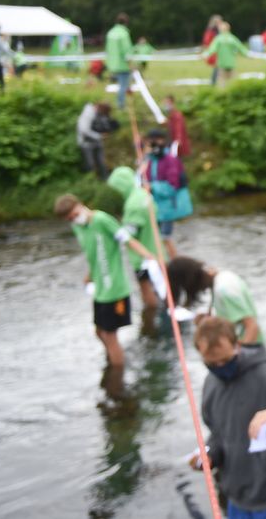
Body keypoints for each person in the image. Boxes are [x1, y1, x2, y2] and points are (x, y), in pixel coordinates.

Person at [190, 317, 266, 519]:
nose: (220, 367)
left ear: (237, 345)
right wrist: (209, 455)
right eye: (212, 363)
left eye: (225, 360)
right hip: (236, 500)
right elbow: (218, 434)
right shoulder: (210, 384)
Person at [55, 193, 157, 367]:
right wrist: (90, 275)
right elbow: (92, 254)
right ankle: (115, 359)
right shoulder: (77, 227)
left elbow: (128, 240)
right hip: (100, 290)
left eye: (74, 215)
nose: (74, 219)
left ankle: (117, 374)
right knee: (99, 332)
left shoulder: (102, 220)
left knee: (110, 335)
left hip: (115, 290)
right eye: (69, 219)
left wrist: (151, 258)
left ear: (80, 205)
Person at [106, 166, 166, 312]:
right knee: (162, 287)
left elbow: (130, 234)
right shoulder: (144, 195)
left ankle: (152, 320)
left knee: (146, 290)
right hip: (158, 251)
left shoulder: (132, 204)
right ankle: (165, 313)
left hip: (143, 258)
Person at [166, 257, 264, 345]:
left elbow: (252, 327)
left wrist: (241, 357)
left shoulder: (223, 290)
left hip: (250, 351)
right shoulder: (222, 277)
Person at [141, 128, 189, 258]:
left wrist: (152, 186)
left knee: (164, 238)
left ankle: (174, 266)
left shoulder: (171, 160)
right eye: (151, 141)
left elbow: (171, 187)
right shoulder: (149, 161)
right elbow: (143, 180)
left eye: (156, 140)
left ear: (163, 140)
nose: (154, 143)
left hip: (167, 208)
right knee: (154, 239)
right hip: (154, 208)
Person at [77, 101, 115, 180]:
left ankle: (105, 180)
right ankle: (91, 181)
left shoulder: (99, 114)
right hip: (86, 143)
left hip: (97, 142)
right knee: (90, 164)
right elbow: (84, 130)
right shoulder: (88, 114)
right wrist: (99, 136)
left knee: (102, 162)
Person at [204, 21, 248, 88]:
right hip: (231, 64)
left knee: (221, 84)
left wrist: (205, 54)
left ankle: (222, 96)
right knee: (235, 83)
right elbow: (241, 48)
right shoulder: (232, 38)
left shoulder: (218, 39)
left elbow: (212, 49)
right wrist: (248, 54)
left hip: (222, 64)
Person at [105, 14, 134, 109]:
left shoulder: (110, 33)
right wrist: (130, 63)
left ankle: (118, 103)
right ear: (126, 23)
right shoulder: (124, 34)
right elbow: (127, 50)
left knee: (120, 84)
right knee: (123, 86)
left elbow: (107, 50)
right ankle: (121, 105)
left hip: (112, 65)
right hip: (123, 65)